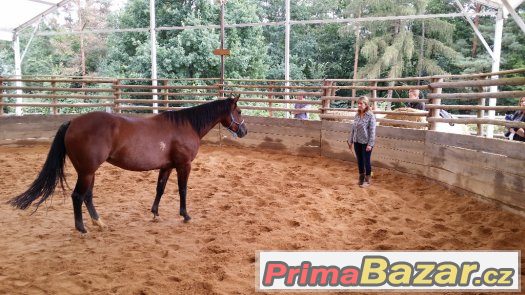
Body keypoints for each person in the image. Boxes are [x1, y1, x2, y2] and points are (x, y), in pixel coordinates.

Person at [347, 96, 376, 187]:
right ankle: (361, 177)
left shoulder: (370, 116)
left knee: (366, 161)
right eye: (358, 103)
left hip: (366, 142)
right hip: (357, 141)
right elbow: (353, 129)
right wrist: (351, 140)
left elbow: (372, 131)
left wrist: (370, 144)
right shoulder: (357, 115)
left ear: (366, 104)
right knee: (359, 160)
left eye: (361, 103)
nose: (359, 105)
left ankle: (367, 180)